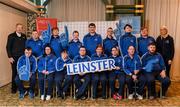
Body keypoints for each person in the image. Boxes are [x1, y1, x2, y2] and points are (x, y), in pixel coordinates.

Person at [6, 23, 27, 94]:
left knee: (22, 72)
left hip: (22, 58)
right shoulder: (11, 36)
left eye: (21, 28)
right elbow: (8, 47)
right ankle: (14, 88)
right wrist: (10, 57)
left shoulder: (24, 36)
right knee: (14, 73)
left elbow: (25, 46)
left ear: (22, 29)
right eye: (18, 27)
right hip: (14, 58)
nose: (19, 29)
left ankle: (20, 86)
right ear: (16, 28)